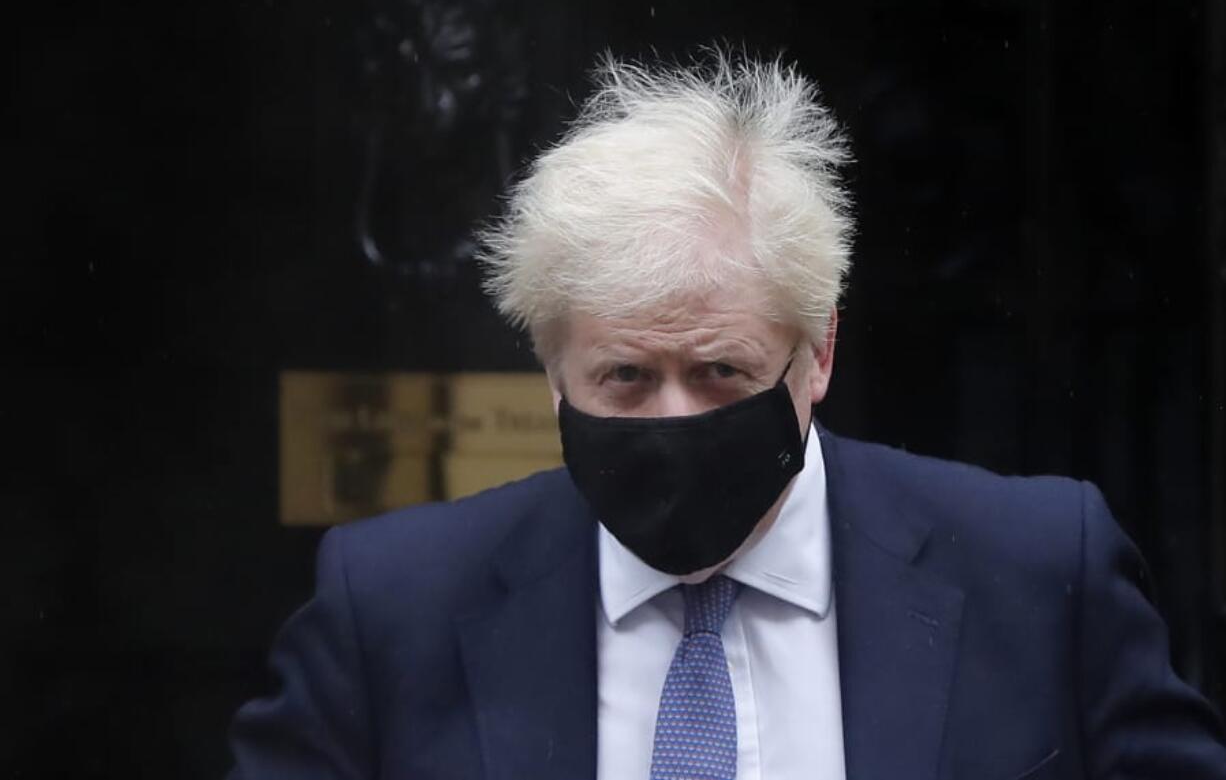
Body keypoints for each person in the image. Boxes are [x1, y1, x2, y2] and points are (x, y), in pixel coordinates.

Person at [228, 50, 1226, 779]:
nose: (673, 417)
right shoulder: (393, 609)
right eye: (623, 375)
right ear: (549, 371)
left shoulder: (1041, 574)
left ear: (819, 350)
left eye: (718, 370)